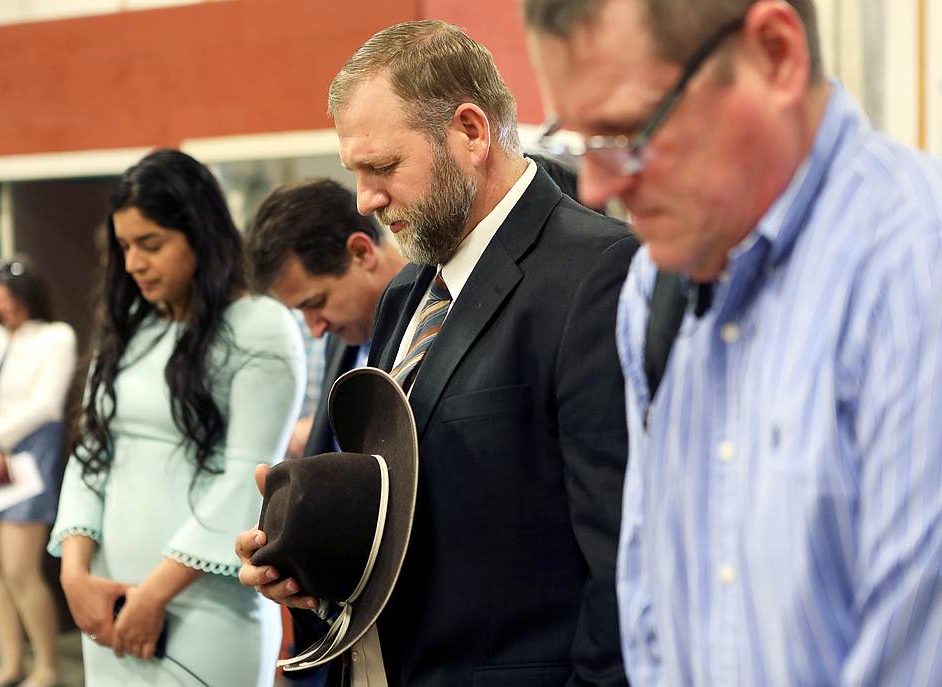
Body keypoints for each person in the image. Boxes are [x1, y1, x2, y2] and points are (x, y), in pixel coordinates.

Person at [526, 0, 942, 684]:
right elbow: (650, 613)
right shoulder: (654, 295)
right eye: (579, 144)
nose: (597, 186)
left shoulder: (911, 277)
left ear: (775, 55)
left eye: (629, 130)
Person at [238, 20, 637, 685]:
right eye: (356, 173)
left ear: (471, 132)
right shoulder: (405, 295)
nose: (365, 199)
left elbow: (625, 568)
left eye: (384, 167)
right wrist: (315, 562)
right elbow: (416, 522)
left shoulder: (598, 274)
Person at [48, 148, 306, 686]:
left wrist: (154, 595)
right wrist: (74, 575)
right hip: (110, 602)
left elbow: (246, 477)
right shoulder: (129, 331)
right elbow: (91, 453)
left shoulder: (260, 325)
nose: (133, 263)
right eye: (124, 247)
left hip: (205, 611)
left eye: (151, 244)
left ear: (200, 236)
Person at [0, 258, 77, 687]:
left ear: (31, 296)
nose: (6, 308)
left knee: (20, 570)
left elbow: (46, 404)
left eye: (12, 299)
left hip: (26, 457)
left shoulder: (56, 337)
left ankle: (47, 666)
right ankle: (11, 663)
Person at [246, 178, 407, 457]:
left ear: (361, 253)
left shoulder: (439, 326)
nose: (316, 330)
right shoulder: (346, 337)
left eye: (316, 303)